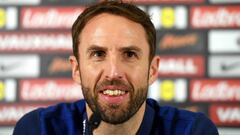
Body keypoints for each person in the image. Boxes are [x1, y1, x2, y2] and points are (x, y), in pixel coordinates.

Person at [13, 1, 219, 135]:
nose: (113, 72)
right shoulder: (38, 129)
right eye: (98, 54)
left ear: (152, 70)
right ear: (76, 70)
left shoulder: (193, 131)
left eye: (129, 54)